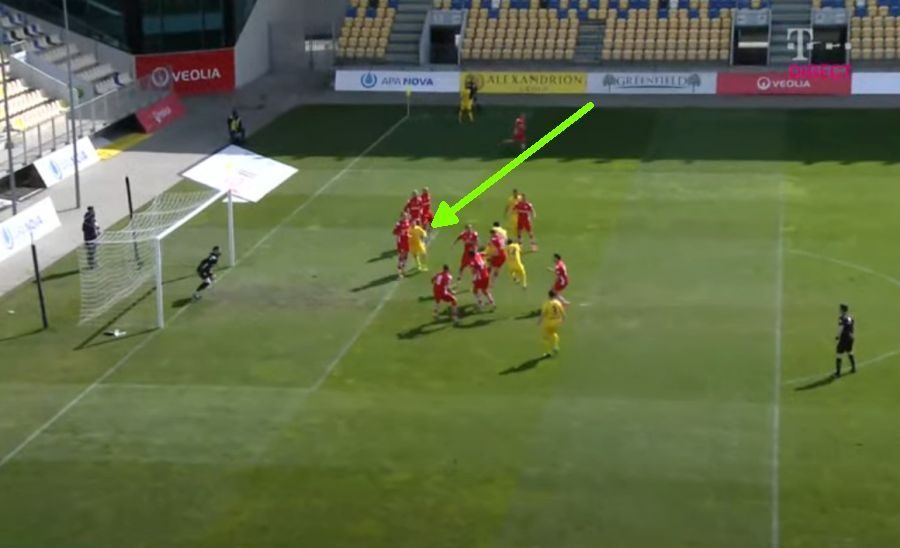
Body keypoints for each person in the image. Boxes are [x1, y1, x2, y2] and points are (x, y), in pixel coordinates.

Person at [539, 290, 566, 357]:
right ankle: (556, 345)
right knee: (554, 333)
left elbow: (543, 314)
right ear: (554, 296)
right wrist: (564, 318)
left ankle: (548, 352)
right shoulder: (558, 303)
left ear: (549, 295)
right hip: (557, 321)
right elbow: (562, 311)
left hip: (549, 321)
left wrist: (539, 321)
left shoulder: (547, 303)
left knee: (546, 337)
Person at [835, 303, 856, 376]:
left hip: (844, 338)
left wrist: (837, 336)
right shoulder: (850, 317)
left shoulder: (842, 318)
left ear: (842, 310)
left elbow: (841, 328)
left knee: (839, 355)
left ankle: (838, 373)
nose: (839, 310)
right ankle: (853, 368)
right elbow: (852, 326)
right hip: (850, 337)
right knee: (850, 352)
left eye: (840, 309)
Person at [393, 212, 411, 277]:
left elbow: (409, 230)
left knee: (406, 255)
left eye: (406, 216)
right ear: (401, 217)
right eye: (404, 216)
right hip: (401, 242)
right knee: (401, 256)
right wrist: (399, 234)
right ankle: (399, 272)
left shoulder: (408, 222)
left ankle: (403, 270)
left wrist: (408, 235)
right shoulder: (399, 224)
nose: (405, 217)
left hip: (407, 241)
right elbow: (394, 232)